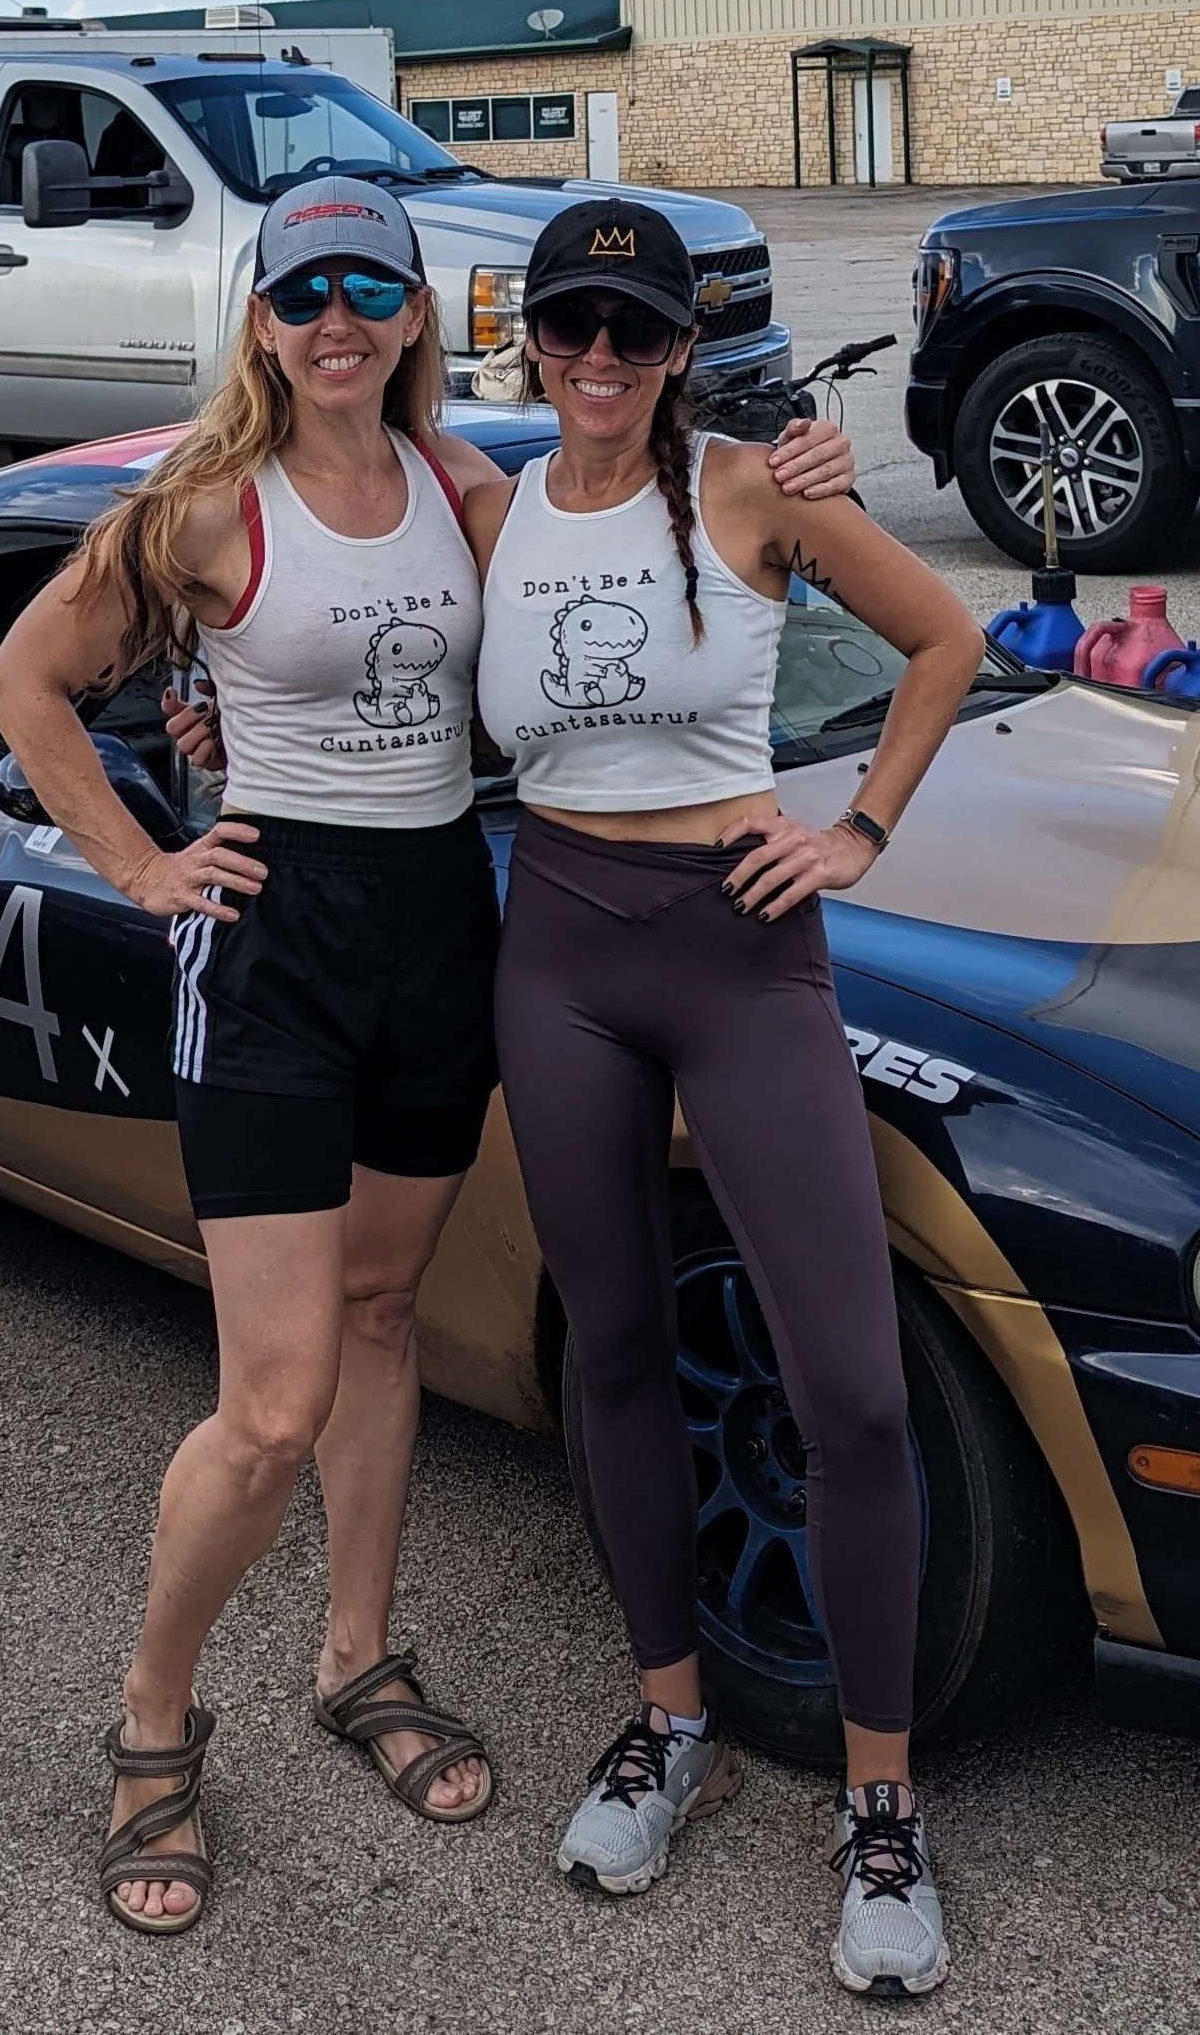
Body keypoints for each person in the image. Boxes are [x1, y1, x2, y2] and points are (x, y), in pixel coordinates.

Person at [0, 178, 854, 1935]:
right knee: (275, 1398)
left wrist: (800, 471)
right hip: (278, 948)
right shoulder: (208, 508)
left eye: (365, 288)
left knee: (385, 1315)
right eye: (300, 291)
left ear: (409, 316)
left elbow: (651, 497)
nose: (334, 320)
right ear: (260, 321)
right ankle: (154, 1720)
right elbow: (26, 680)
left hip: (444, 922)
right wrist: (148, 866)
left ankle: (355, 1660)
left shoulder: (471, 495)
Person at [465, 197, 982, 2001]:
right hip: (559, 949)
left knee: (844, 1388)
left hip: (742, 945)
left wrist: (856, 830)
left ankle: (879, 1801)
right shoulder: (485, 496)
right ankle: (666, 1718)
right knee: (611, 1354)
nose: (598, 360)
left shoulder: (758, 485)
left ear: (684, 348)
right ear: (526, 335)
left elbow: (943, 642)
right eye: (569, 327)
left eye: (635, 331)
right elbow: (328, 572)